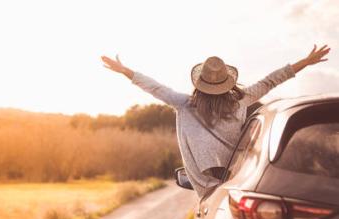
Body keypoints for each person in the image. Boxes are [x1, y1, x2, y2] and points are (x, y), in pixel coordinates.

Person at [101, 45, 331, 197]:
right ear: (227, 83)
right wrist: (305, 62)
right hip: (241, 184)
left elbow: (154, 87)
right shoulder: (241, 101)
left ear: (199, 83)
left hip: (211, 192)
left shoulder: (184, 104)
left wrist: (125, 71)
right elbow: (271, 80)